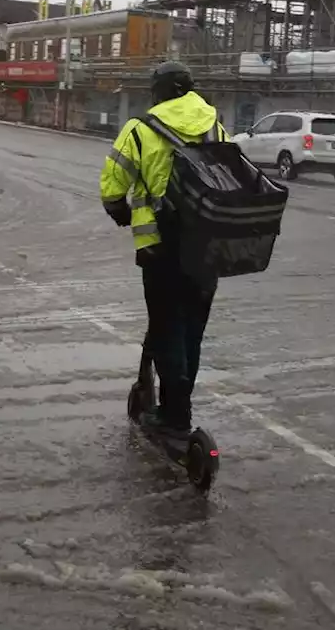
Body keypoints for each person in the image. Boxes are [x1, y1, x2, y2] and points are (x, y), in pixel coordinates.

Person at [100, 61, 227, 439]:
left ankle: (175, 415)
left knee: (166, 328)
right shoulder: (214, 126)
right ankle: (180, 402)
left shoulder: (140, 130)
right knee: (192, 332)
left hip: (161, 250)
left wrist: (120, 210)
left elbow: (111, 189)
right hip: (207, 247)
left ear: (156, 92)